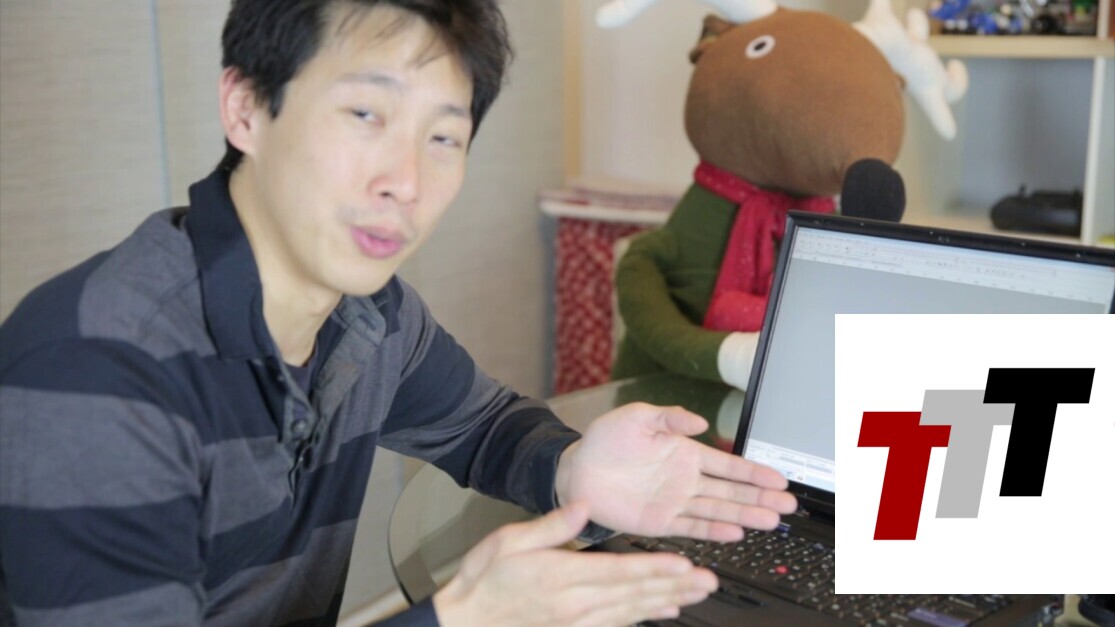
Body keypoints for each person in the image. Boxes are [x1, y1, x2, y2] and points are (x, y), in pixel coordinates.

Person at [0, 1, 797, 625]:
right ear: (245, 108)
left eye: (443, 138)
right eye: (364, 115)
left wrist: (569, 467)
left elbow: (482, 425)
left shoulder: (369, 314)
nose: (406, 181)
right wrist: (460, 618)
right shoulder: (94, 374)